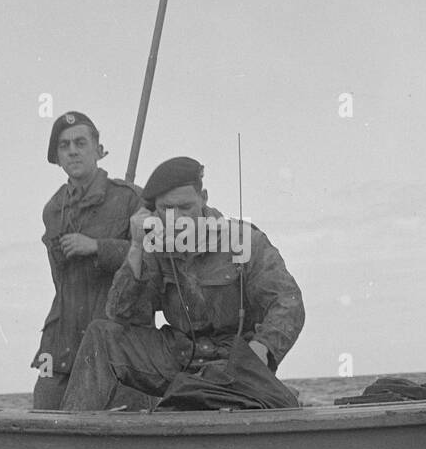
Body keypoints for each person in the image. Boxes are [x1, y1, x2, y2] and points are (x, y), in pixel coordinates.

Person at [60, 156, 305, 410]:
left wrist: (263, 348)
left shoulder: (244, 240)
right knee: (101, 335)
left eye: (185, 207)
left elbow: (288, 302)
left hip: (233, 364)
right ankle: (72, 436)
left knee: (206, 398)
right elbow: (121, 314)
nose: (176, 219)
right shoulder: (154, 244)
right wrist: (135, 247)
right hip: (177, 357)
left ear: (204, 198)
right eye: (166, 209)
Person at [31, 111, 143, 408]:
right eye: (64, 146)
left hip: (113, 334)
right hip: (61, 339)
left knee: (113, 423)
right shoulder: (54, 209)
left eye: (80, 143)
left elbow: (149, 262)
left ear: (98, 149)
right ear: (57, 157)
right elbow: (60, 279)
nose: (72, 151)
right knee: (42, 416)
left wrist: (97, 247)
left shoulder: (131, 199)